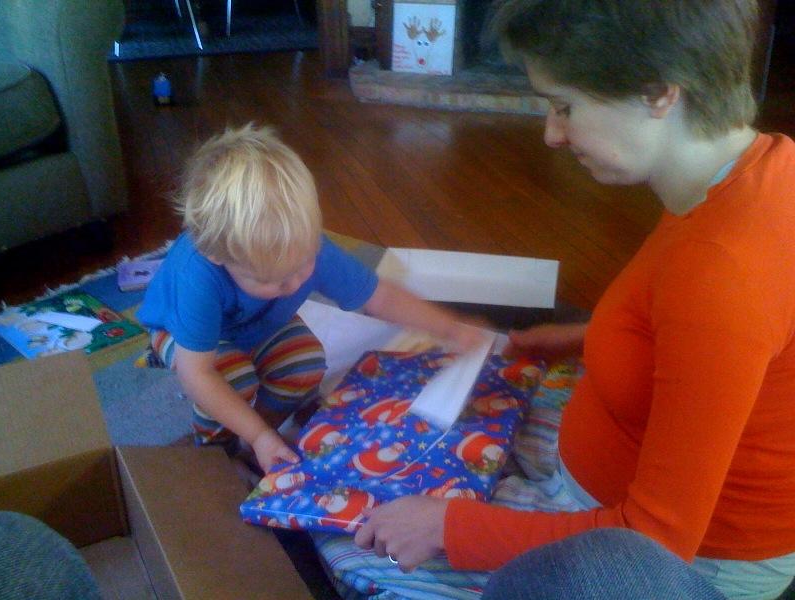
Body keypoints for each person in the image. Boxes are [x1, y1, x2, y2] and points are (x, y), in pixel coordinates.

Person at [351, 0, 795, 598]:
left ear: (659, 93)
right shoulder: (757, 168)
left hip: (677, 560)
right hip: (608, 472)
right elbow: (713, 346)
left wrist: (450, 528)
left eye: (565, 107)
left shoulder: (725, 271)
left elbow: (651, 547)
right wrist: (595, 335)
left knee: (361, 542)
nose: (552, 134)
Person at [137, 123, 483, 473]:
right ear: (217, 256)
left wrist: (449, 327)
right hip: (180, 334)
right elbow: (197, 375)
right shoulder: (196, 276)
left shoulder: (309, 248)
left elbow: (380, 297)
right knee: (234, 379)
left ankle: (261, 434)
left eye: (302, 266)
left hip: (259, 325)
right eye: (271, 280)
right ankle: (217, 452)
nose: (294, 285)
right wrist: (255, 435)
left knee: (305, 364)